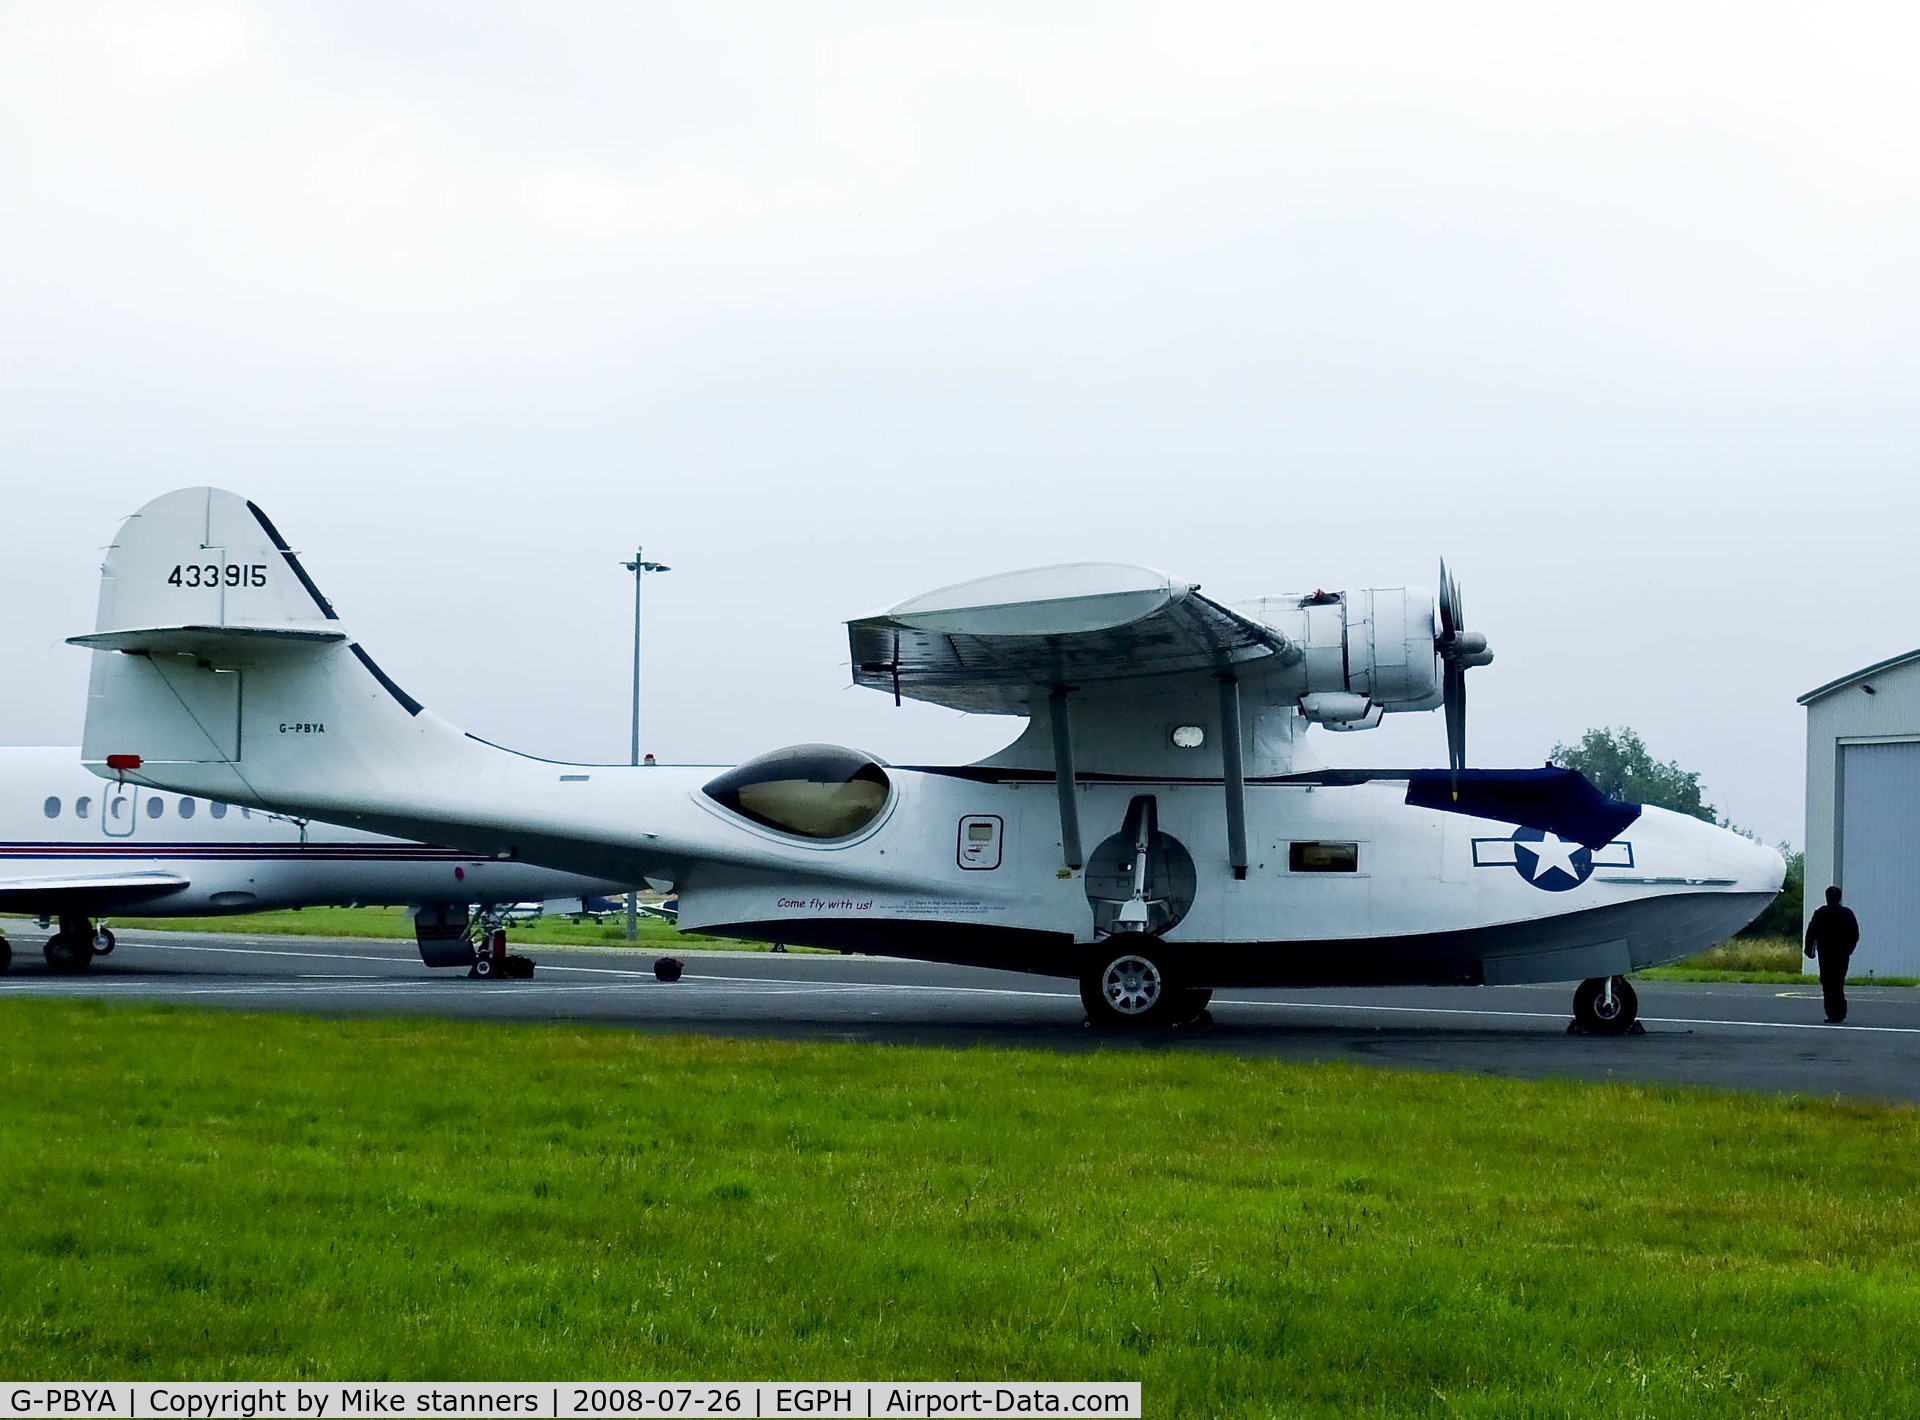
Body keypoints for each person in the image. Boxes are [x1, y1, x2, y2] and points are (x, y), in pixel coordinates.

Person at [1805, 885, 1861, 1024]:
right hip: (1842, 953)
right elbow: (1855, 934)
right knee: (1838, 982)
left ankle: (1832, 1013)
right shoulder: (1848, 913)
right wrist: (1849, 949)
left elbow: (1811, 932)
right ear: (1840, 897)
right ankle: (1840, 1012)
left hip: (1825, 953)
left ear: (1827, 897)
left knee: (1827, 983)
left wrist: (1809, 950)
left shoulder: (1820, 913)